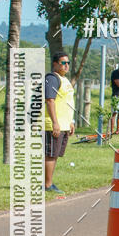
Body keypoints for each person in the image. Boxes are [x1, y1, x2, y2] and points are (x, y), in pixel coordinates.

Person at [45, 51, 75, 194]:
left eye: (68, 63)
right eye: (63, 63)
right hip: (54, 124)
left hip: (64, 123)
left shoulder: (65, 80)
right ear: (55, 64)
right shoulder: (52, 78)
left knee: (55, 154)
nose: (66, 65)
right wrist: (54, 122)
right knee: (50, 154)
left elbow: (67, 102)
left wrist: (70, 122)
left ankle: (49, 182)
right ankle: (47, 184)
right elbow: (50, 101)